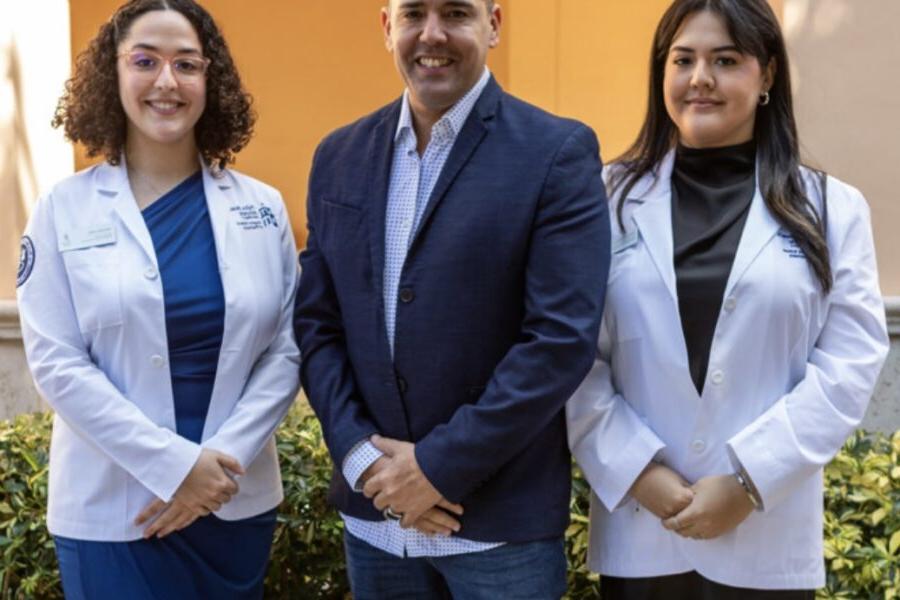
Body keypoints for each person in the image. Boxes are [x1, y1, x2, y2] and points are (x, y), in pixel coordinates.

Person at [566, 0, 889, 598]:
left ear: (766, 74)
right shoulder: (603, 199)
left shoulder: (831, 209)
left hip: (765, 533)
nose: (700, 79)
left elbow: (849, 364)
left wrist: (748, 481)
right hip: (644, 532)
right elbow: (572, 354)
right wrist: (638, 472)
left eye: (726, 60)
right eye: (682, 59)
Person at [293, 0, 609, 597]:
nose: (431, 34)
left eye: (456, 14)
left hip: (496, 530)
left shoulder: (556, 153)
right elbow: (317, 326)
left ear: (493, 24)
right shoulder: (337, 156)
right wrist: (363, 462)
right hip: (375, 524)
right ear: (387, 26)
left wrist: (437, 468)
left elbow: (560, 341)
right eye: (413, 14)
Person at [16, 0, 299, 597]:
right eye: (144, 61)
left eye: (187, 65)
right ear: (112, 76)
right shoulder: (61, 211)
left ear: (209, 81)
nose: (166, 82)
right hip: (115, 512)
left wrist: (216, 465)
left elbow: (288, 349)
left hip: (232, 500)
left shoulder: (261, 206)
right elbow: (58, 365)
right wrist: (175, 469)